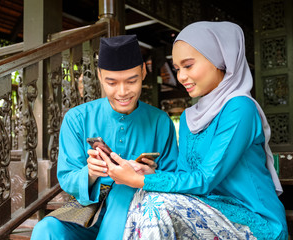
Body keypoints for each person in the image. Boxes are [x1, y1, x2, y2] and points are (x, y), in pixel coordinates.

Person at [97, 22, 288, 239]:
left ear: (219, 59)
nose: (181, 77)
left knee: (154, 202)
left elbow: (206, 178)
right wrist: (148, 174)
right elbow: (185, 176)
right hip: (207, 210)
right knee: (144, 196)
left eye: (188, 66)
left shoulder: (240, 108)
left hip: (252, 219)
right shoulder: (189, 117)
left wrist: (140, 180)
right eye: (177, 69)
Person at [31, 35, 178, 239]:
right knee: (46, 230)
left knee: (123, 189)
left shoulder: (161, 122)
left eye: (131, 81)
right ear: (100, 77)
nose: (122, 92)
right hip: (86, 209)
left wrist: (149, 176)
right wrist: (90, 173)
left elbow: (174, 177)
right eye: (112, 82)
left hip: (139, 210)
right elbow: (67, 178)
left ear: (143, 72)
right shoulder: (77, 118)